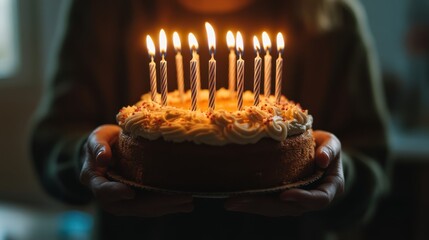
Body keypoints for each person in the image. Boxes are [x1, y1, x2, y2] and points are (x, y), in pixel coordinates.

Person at [31, 0, 389, 239]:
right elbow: (52, 139)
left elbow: (373, 164)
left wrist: (340, 175)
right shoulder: (101, 10)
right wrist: (88, 156)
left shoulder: (332, 15)